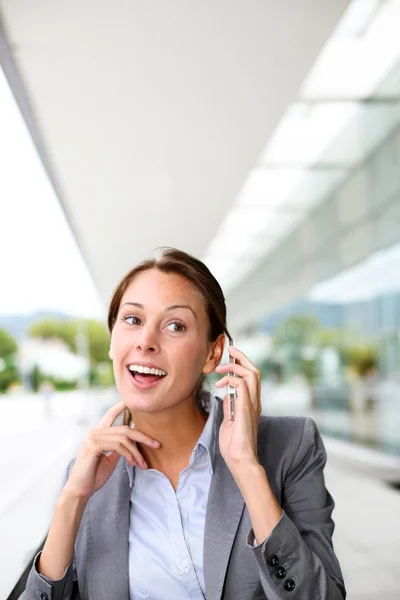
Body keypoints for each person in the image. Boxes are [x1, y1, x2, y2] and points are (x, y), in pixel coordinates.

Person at [20, 248, 346, 600]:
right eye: (132, 320)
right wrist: (71, 500)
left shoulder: (291, 445)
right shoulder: (88, 476)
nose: (145, 342)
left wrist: (247, 469)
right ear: (112, 340)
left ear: (213, 353)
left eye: (175, 325)